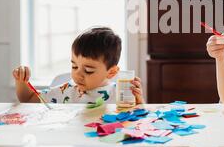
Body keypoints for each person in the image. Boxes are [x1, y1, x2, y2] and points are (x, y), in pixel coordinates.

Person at [13, 26, 144, 105]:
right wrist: (21, 81)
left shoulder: (119, 94)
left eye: (88, 70)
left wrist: (140, 103)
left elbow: (138, 121)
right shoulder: (66, 91)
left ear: (111, 72)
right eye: (74, 67)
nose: (78, 74)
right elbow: (28, 99)